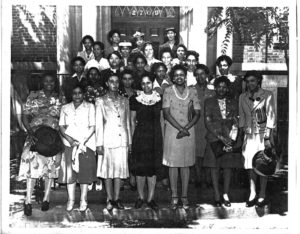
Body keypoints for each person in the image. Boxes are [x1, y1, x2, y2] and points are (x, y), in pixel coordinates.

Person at [18, 74, 64, 216]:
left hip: (52, 137)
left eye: (51, 81)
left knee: (50, 169)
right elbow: (25, 115)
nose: (49, 83)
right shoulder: (34, 96)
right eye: (46, 81)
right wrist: (30, 132)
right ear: (42, 83)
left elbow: (64, 117)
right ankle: (28, 201)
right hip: (36, 135)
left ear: (54, 83)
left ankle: (46, 198)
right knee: (32, 169)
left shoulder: (60, 98)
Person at [162, 64, 200, 209]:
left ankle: (184, 196)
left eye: (181, 75)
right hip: (173, 132)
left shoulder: (193, 91)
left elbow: (197, 113)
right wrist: (180, 128)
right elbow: (166, 113)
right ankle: (174, 196)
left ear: (185, 76)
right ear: (172, 78)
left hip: (188, 132)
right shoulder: (167, 91)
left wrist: (186, 128)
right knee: (173, 164)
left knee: (185, 164)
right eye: (176, 75)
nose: (179, 77)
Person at [203, 76, 244, 207]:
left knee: (227, 167)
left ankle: (225, 194)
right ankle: (216, 195)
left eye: (224, 87)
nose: (221, 89)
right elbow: (208, 121)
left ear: (227, 88)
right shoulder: (209, 102)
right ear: (215, 88)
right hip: (214, 138)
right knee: (214, 167)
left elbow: (236, 122)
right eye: (219, 86)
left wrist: (231, 137)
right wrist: (220, 137)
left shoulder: (233, 102)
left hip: (229, 138)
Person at [239, 70, 276, 208]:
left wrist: (267, 137)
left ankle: (262, 194)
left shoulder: (267, 95)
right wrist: (242, 134)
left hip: (262, 135)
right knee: (249, 164)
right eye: (247, 81)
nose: (250, 84)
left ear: (259, 81)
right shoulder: (242, 97)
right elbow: (242, 117)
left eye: (253, 81)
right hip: (249, 135)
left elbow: (271, 117)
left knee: (263, 163)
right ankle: (252, 193)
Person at [95, 74, 131, 210]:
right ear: (107, 83)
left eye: (117, 82)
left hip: (122, 140)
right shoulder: (100, 100)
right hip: (107, 140)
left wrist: (129, 142)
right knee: (107, 171)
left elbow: (127, 123)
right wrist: (99, 144)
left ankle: (117, 198)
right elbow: (99, 124)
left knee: (119, 171)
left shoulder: (124, 100)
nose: (114, 84)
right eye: (111, 81)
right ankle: (109, 199)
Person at [59, 84, 97, 212]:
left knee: (84, 172)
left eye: (80, 93)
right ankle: (70, 200)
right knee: (70, 173)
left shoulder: (90, 107)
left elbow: (92, 126)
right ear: (71, 94)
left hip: (85, 144)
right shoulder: (65, 107)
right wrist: (70, 140)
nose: (77, 95)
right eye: (74, 93)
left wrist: (82, 141)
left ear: (83, 94)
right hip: (69, 144)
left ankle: (83, 199)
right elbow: (61, 126)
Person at [130, 74, 163, 211]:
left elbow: (161, 119)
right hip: (140, 136)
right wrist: (132, 140)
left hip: (155, 136)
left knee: (152, 169)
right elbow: (132, 120)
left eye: (148, 83)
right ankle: (140, 197)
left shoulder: (159, 98)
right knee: (140, 169)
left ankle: (150, 198)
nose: (146, 86)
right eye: (143, 83)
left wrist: (162, 138)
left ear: (152, 83)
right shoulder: (135, 99)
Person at [193, 64, 215, 188]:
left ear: (206, 75)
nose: (200, 76)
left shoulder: (212, 90)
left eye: (202, 74)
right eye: (197, 74)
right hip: (196, 125)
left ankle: (207, 178)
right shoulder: (191, 90)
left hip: (209, 126)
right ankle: (198, 178)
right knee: (197, 153)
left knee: (208, 152)